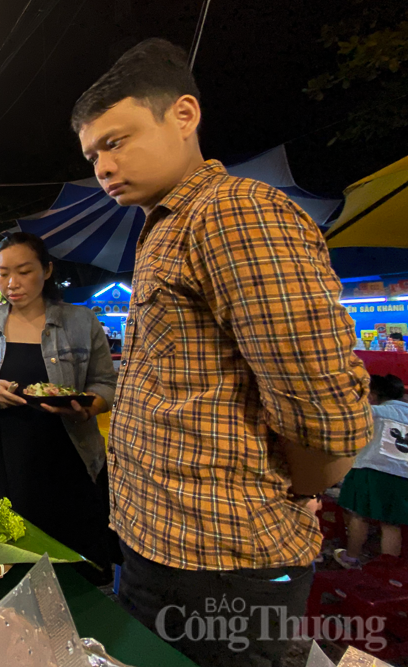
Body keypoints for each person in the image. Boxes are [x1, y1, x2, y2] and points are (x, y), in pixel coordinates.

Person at [73, 39, 373, 666]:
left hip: (223, 564)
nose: (102, 166)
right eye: (94, 152)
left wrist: (299, 485)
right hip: (164, 547)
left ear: (184, 116)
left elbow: (327, 412)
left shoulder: (233, 213)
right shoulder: (166, 225)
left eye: (116, 141)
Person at [0, 233, 120, 577]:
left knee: (73, 559)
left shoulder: (81, 322)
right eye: (3, 273)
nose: (12, 283)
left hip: (69, 456)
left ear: (46, 270)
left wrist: (88, 407)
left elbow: (106, 383)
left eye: (24, 271)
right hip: (4, 454)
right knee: (13, 556)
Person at [335, 374, 408, 568]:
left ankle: (351, 558)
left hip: (370, 471)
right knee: (391, 524)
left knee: (359, 515)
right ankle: (386, 570)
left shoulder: (373, 412)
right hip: (404, 477)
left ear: (373, 395)